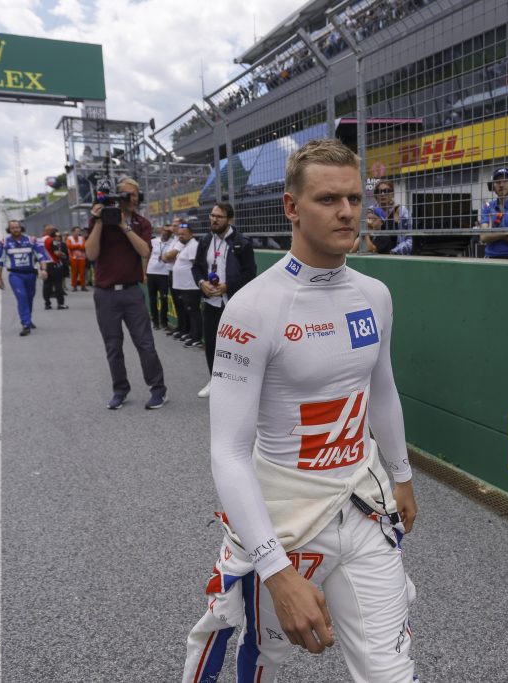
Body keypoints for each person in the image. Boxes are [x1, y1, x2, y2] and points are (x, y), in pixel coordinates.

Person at [183, 138, 417, 683]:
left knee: (390, 670)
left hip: (364, 505)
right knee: (261, 664)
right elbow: (229, 452)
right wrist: (275, 569)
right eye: (328, 199)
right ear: (291, 206)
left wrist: (402, 476)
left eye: (354, 198)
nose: (347, 212)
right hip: (285, 522)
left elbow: (382, 390)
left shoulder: (376, 294)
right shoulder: (252, 308)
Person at [86, 176, 167, 410]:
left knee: (145, 343)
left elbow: (145, 251)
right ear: (116, 196)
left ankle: (158, 389)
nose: (132, 199)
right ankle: (120, 390)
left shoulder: (141, 223)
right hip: (105, 294)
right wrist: (99, 221)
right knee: (113, 346)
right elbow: (91, 254)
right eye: (127, 195)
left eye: (135, 194)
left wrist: (124, 225)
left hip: (132, 292)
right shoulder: (99, 220)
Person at [191, 202, 257, 398]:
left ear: (229, 219)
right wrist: (201, 283)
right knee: (211, 344)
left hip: (234, 303)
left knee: (236, 346)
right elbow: (196, 268)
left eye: (219, 217)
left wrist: (227, 286)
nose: (214, 220)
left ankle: (240, 383)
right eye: (212, 215)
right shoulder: (205, 241)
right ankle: (215, 380)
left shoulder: (242, 243)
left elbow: (250, 274)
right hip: (211, 303)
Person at [0, 221, 50, 336]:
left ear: (21, 228)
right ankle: (25, 324)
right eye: (13, 228)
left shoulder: (31, 240)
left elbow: (41, 256)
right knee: (22, 297)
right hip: (15, 275)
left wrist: (44, 269)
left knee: (29, 297)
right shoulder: (4, 242)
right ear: (9, 230)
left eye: (17, 227)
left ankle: (28, 319)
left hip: (30, 274)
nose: (15, 229)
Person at [163, 221, 202, 347]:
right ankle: (190, 333)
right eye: (179, 234)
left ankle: (196, 338)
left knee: (193, 312)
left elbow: (196, 265)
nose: (180, 236)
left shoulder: (193, 246)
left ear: (191, 234)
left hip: (190, 286)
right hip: (183, 286)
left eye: (183, 234)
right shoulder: (184, 246)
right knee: (187, 311)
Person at [371, 179, 413, 255]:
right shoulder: (371, 211)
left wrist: (394, 252)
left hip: (396, 257)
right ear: (376, 195)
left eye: (386, 191)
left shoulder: (402, 212)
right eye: (379, 191)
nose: (382, 194)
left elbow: (409, 240)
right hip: (374, 255)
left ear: (392, 194)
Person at [145, 224, 175, 330]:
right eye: (164, 230)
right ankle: (155, 322)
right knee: (152, 299)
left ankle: (164, 322)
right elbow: (146, 256)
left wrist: (173, 230)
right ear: (161, 231)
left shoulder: (173, 243)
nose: (166, 233)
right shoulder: (153, 241)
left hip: (164, 274)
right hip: (151, 272)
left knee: (164, 299)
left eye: (168, 231)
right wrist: (144, 273)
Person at [42, 227, 69, 310]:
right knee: (58, 284)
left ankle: (47, 304)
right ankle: (60, 304)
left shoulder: (41, 240)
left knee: (46, 285)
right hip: (54, 264)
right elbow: (56, 253)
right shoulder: (52, 240)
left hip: (45, 264)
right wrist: (63, 255)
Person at [66, 227, 88, 291]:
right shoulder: (69, 238)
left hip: (82, 258)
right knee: (74, 272)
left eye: (79, 231)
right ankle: (74, 286)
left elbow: (84, 246)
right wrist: (78, 246)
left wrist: (75, 247)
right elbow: (69, 246)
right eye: (76, 231)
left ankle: (83, 286)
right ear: (73, 232)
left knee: (82, 272)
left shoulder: (82, 238)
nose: (78, 232)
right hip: (73, 258)